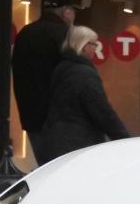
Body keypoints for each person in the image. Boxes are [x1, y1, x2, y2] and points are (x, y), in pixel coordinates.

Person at [41, 26, 130, 162]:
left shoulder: (62, 67)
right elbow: (102, 112)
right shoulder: (85, 74)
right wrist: (127, 140)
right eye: (94, 44)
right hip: (77, 143)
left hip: (57, 139)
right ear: (84, 46)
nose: (96, 48)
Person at [12, 0, 80, 164]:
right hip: (60, 121)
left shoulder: (25, 33)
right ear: (65, 11)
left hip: (31, 118)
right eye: (73, 11)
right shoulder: (66, 35)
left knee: (47, 169)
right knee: (64, 170)